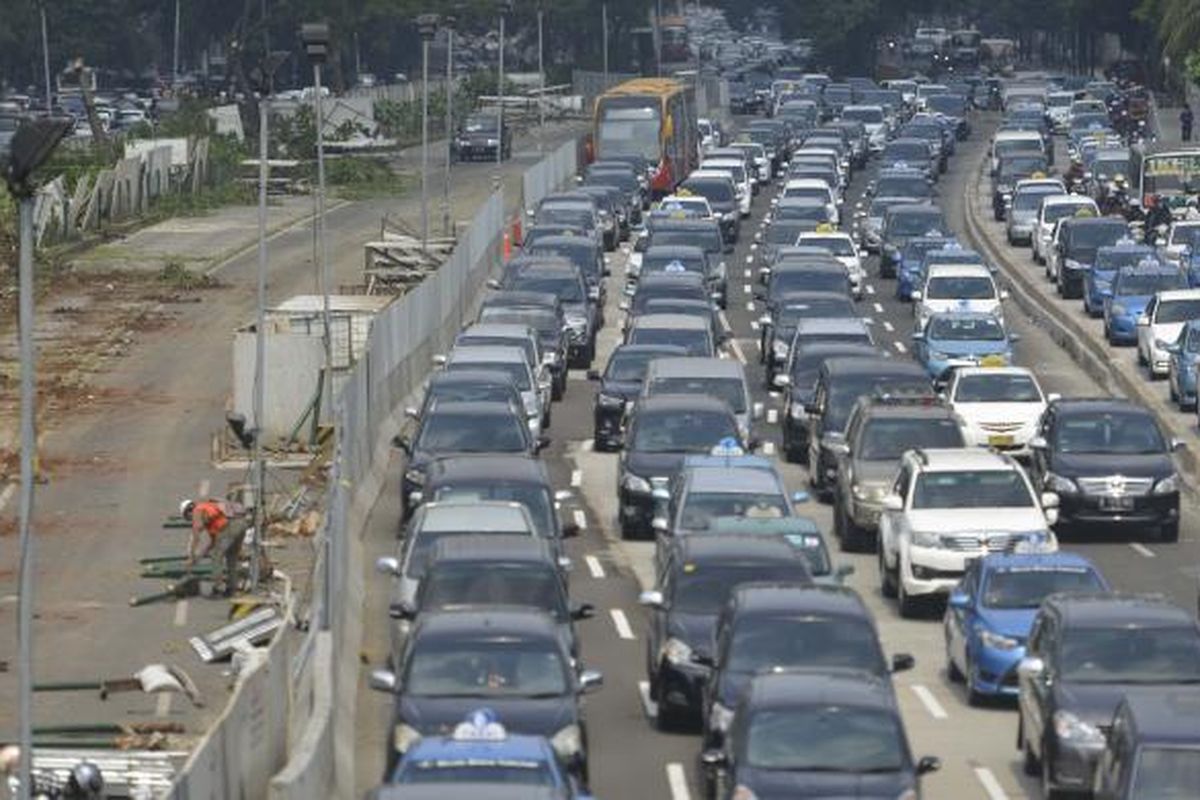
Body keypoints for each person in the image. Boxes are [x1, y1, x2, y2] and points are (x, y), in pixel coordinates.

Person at [181, 497, 246, 597]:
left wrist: (191, 556)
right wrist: (198, 558)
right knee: (231, 557)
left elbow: (196, 536)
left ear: (188, 511)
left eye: (189, 518)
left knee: (216, 556)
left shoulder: (197, 510)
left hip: (229, 527)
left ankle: (218, 588)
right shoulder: (208, 511)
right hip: (240, 524)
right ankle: (232, 588)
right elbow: (212, 543)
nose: (191, 520)